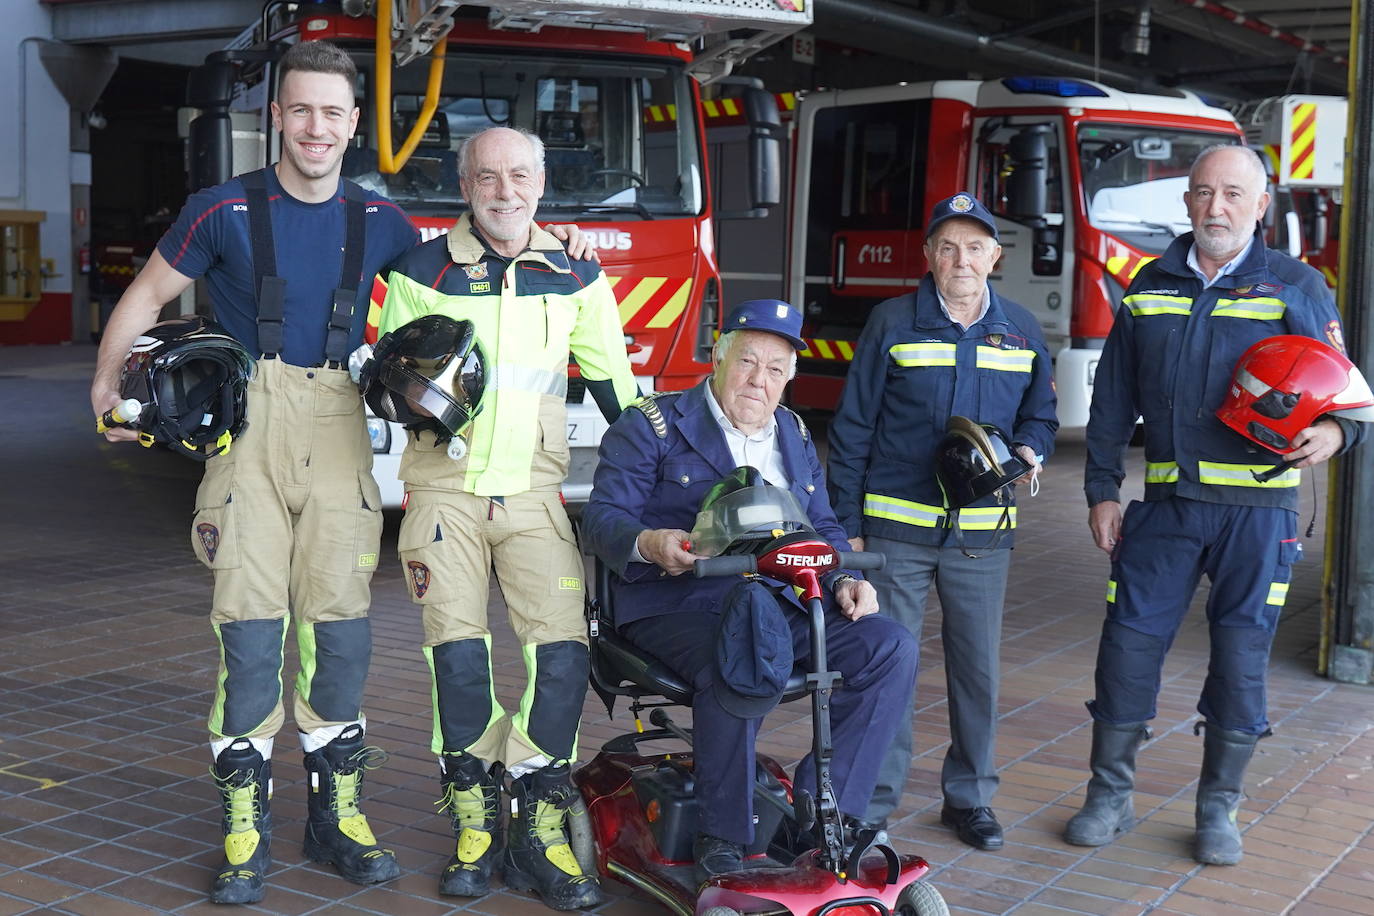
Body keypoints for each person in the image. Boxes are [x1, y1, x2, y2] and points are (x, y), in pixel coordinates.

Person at [89, 42, 596, 906]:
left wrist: (558, 240)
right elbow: (145, 294)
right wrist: (106, 386)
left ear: (353, 126)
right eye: (301, 110)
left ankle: (338, 814)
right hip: (245, 426)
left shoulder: (386, 225)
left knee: (342, 625)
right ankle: (245, 825)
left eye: (333, 113)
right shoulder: (221, 211)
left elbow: (482, 245)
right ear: (275, 117)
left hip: (339, 428)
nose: (316, 127)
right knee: (249, 628)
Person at [1067, 144, 1366, 866]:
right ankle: (1109, 794)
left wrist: (1334, 431)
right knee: (1127, 647)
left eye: (1233, 194)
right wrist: (1102, 487)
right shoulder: (1149, 285)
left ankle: (1218, 808)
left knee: (1240, 658)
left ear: (1261, 206)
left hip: (1257, 515)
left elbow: (1351, 393)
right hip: (1166, 509)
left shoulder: (1295, 285)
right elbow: (1111, 396)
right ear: (1187, 201)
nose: (1216, 207)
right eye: (1204, 192)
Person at [373, 126, 638, 910]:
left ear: (542, 182)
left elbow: (615, 386)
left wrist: (664, 481)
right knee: (457, 660)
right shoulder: (420, 272)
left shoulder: (578, 273)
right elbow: (389, 384)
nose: (504, 190)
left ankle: (535, 803)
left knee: (563, 655)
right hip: (445, 497)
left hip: (533, 497)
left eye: (520, 175)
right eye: (487, 176)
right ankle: (474, 813)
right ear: (465, 183)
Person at [581, 299, 919, 883]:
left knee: (889, 647)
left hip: (782, 600)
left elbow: (823, 525)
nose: (758, 382)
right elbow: (603, 518)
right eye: (748, 362)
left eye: (776, 370)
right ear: (718, 357)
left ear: (789, 379)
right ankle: (724, 833)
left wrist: (845, 578)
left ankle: (822, 812)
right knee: (744, 645)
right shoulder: (653, 423)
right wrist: (651, 542)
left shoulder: (791, 430)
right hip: (679, 602)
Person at [827, 192, 1058, 851]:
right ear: (928, 256)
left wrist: (1029, 450)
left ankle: (970, 799)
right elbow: (851, 433)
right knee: (887, 667)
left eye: (975, 247)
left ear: (995, 256)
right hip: (894, 535)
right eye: (947, 247)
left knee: (976, 670)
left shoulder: (1019, 330)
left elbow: (1041, 414)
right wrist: (849, 533)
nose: (961, 259)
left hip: (982, 539)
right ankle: (871, 804)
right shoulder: (892, 323)